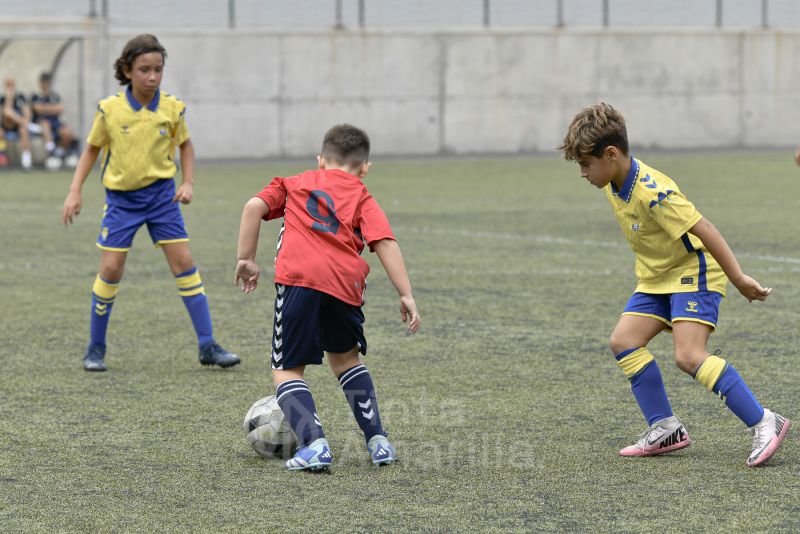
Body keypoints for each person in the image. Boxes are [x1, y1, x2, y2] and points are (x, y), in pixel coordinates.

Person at [558, 102, 790, 467]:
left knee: (688, 355)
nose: (583, 173)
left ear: (612, 154)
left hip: (693, 273)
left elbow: (705, 229)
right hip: (655, 279)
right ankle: (665, 427)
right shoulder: (613, 181)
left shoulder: (654, 191)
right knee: (624, 341)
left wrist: (739, 279)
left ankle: (764, 421)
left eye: (586, 164)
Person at [235, 124, 420, 471]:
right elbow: (384, 243)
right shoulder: (362, 194)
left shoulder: (292, 182)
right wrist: (405, 294)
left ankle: (314, 444)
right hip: (346, 287)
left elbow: (252, 207)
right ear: (365, 167)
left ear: (321, 161)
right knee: (347, 361)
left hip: (300, 281)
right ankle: (378, 442)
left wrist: (246, 259)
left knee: (287, 370)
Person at [61, 34, 239, 372]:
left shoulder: (172, 108)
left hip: (161, 198)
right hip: (122, 201)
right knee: (111, 269)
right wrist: (75, 190)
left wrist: (187, 182)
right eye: (144, 69)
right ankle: (95, 348)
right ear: (128, 70)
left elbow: (185, 145)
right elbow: (91, 150)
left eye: (158, 69)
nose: (152, 76)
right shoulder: (110, 109)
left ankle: (208, 345)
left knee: (184, 263)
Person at [31, 71, 78, 168]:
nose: (45, 84)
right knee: (45, 124)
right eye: (43, 82)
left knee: (67, 132)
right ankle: (51, 152)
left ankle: (59, 153)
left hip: (55, 122)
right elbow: (37, 109)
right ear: (40, 83)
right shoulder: (35, 96)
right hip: (40, 124)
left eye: (47, 82)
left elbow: (60, 108)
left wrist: (44, 108)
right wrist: (52, 108)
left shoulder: (54, 96)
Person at [0, 78, 33, 170]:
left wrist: (25, 121)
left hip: (19, 126)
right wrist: (9, 98)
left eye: (11, 85)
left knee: (24, 130)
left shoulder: (20, 98)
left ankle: (26, 160)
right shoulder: (3, 99)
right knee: (7, 112)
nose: (10, 87)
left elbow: (27, 112)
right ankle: (1, 158)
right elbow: (4, 114)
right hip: (6, 125)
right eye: (8, 85)